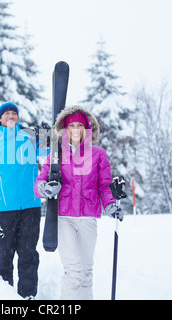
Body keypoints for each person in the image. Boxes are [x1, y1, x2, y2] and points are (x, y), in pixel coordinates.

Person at [34, 106, 123, 300]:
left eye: (79, 125)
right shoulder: (56, 155)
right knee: (73, 271)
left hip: (88, 219)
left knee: (86, 272)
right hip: (64, 218)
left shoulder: (98, 154)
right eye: (71, 125)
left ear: (86, 128)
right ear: (64, 129)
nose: (75, 129)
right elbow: (39, 182)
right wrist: (46, 188)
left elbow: (105, 186)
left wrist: (109, 205)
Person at [0, 102, 41, 299]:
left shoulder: (30, 138)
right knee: (4, 252)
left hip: (31, 205)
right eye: (7, 114)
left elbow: (51, 154)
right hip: (5, 208)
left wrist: (46, 135)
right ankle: (4, 296)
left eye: (14, 113)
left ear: (18, 118)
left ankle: (27, 296)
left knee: (28, 253)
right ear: (0, 118)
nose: (11, 116)